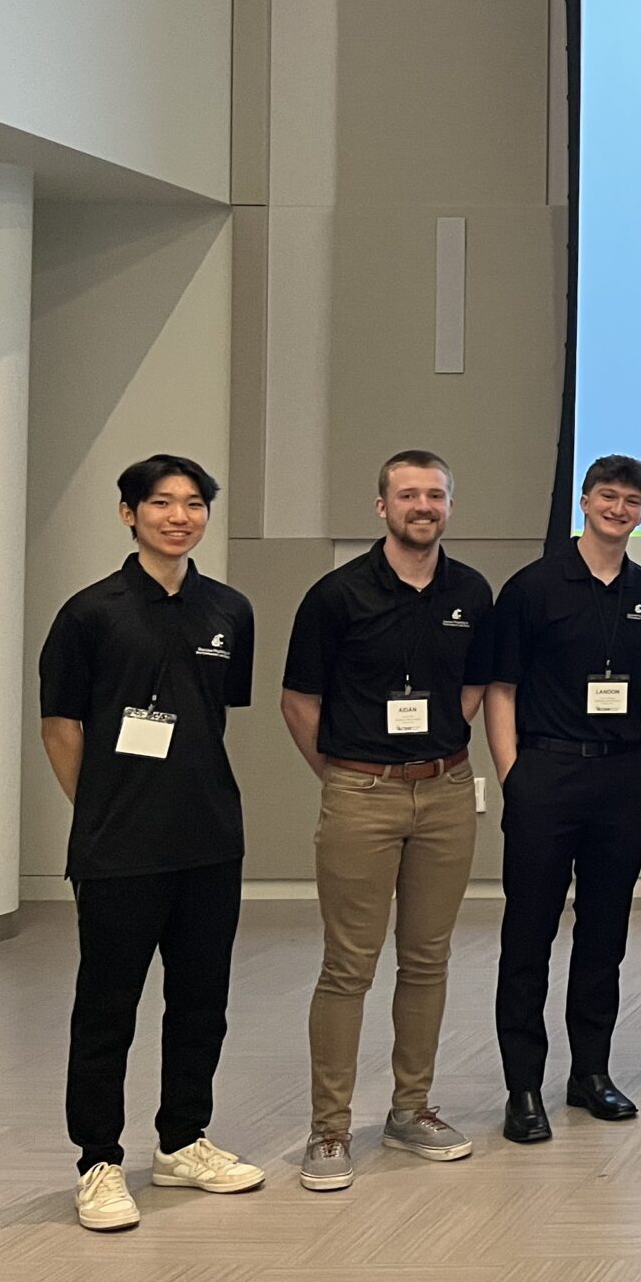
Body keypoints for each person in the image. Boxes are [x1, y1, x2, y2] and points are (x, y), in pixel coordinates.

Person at [41, 455, 263, 1231]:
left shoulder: (229, 609)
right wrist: (105, 808)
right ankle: (98, 1161)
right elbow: (61, 727)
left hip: (210, 841)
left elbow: (218, 715)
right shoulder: (90, 613)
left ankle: (182, 1142)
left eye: (194, 503)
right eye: (162, 503)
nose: (179, 516)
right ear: (128, 513)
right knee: (107, 1008)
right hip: (120, 848)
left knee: (201, 1002)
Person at [282, 450, 493, 1191]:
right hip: (360, 794)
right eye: (408, 494)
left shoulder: (471, 590)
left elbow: (473, 686)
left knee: (428, 959)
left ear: (449, 505)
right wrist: (347, 776)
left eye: (435, 494)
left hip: (446, 792)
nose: (422, 506)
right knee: (348, 966)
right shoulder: (335, 595)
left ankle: (411, 1110)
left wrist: (428, 760)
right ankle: (329, 1128)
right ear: (382, 507)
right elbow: (299, 702)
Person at [477, 454, 641, 1146]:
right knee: (528, 934)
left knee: (604, 934)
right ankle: (523, 1086)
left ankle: (590, 1073)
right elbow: (501, 689)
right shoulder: (532, 587)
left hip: (623, 779)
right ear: (585, 502)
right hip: (546, 774)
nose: (619, 510)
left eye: (632, 501)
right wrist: (513, 776)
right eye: (608, 496)